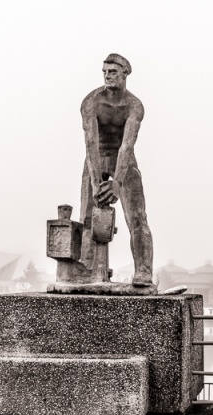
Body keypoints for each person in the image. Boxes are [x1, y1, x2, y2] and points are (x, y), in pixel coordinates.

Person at [79, 53, 154, 287]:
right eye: (105, 72)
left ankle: (143, 271)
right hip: (96, 158)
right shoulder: (92, 101)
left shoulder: (134, 105)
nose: (107, 76)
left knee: (137, 217)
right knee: (87, 218)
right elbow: (91, 143)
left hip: (124, 160)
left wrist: (117, 183)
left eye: (112, 72)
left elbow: (127, 145)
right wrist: (94, 184)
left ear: (124, 74)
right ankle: (87, 270)